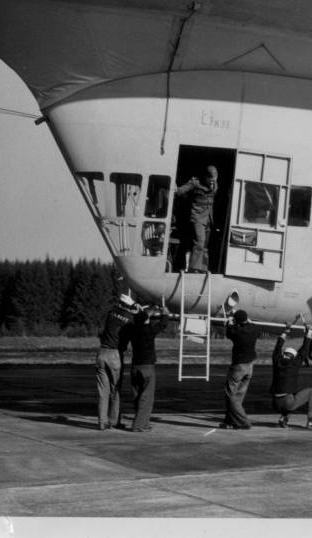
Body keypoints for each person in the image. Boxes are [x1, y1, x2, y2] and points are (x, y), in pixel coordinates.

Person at [96, 293, 139, 430]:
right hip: (115, 354)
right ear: (129, 306)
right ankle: (114, 421)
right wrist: (136, 309)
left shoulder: (110, 313)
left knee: (103, 392)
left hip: (101, 352)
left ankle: (102, 422)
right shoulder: (129, 319)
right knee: (115, 390)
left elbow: (100, 331)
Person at [126, 304, 170, 432]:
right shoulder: (149, 330)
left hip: (135, 367)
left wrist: (144, 312)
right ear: (146, 320)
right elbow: (163, 325)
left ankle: (144, 423)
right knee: (147, 397)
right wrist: (165, 313)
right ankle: (138, 425)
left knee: (138, 397)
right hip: (147, 367)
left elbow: (140, 319)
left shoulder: (133, 330)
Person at [270, 323, 312, 429]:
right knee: (310, 391)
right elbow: (304, 350)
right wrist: (310, 331)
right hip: (287, 401)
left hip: (275, 402)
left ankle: (283, 418)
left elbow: (278, 347)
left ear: (284, 354)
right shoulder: (294, 363)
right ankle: (311, 420)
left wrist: (286, 330)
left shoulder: (277, 361)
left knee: (292, 395)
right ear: (293, 357)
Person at [175, 165, 219, 273]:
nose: (212, 183)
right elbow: (180, 191)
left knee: (205, 246)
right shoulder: (195, 183)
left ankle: (203, 267)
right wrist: (175, 188)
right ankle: (194, 268)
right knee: (199, 242)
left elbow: (214, 192)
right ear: (205, 178)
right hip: (198, 217)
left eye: (214, 180)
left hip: (209, 218)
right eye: (211, 180)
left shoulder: (215, 185)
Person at [222, 309, 259, 429]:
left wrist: (228, 322)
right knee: (238, 396)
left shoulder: (237, 332)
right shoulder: (254, 329)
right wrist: (235, 320)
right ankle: (230, 420)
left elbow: (229, 333)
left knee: (230, 394)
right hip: (250, 366)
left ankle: (243, 422)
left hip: (239, 366)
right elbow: (250, 323)